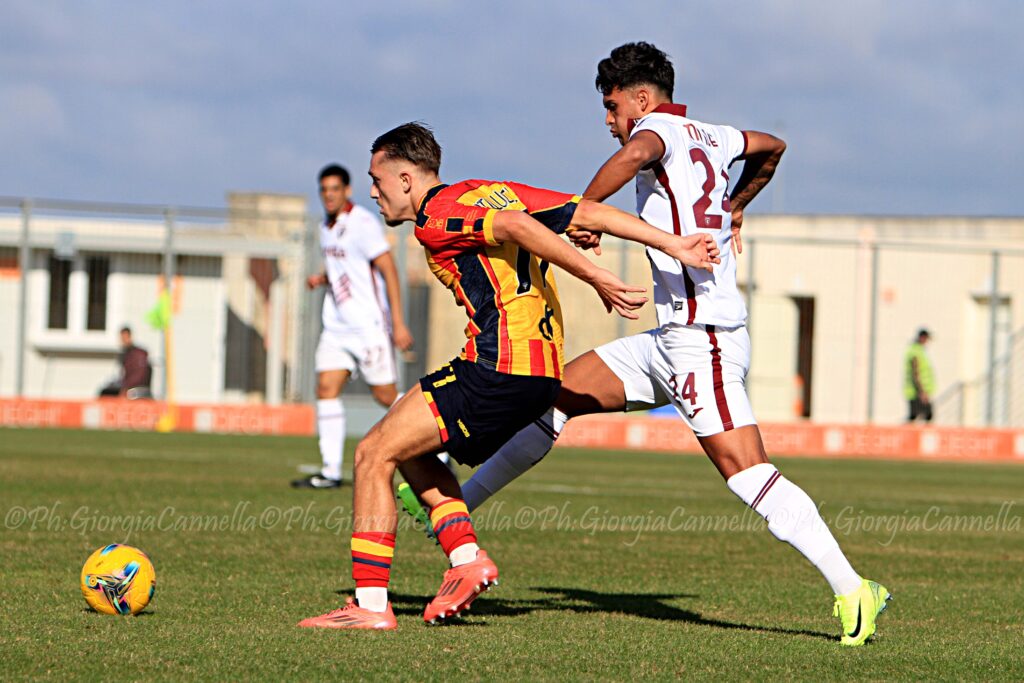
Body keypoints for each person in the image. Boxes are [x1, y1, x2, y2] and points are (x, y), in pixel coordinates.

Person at [443, 42, 890, 646]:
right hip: (671, 339)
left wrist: (585, 210)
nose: (609, 120)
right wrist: (734, 205)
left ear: (642, 98)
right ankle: (454, 509)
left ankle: (853, 588)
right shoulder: (717, 135)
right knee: (552, 394)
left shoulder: (655, 131)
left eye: (611, 105)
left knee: (746, 472)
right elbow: (773, 146)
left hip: (703, 341)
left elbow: (637, 152)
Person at [297, 121, 719, 630]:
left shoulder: (437, 217)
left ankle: (368, 608)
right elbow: (587, 213)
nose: (372, 191)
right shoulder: (485, 192)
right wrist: (674, 244)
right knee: (407, 445)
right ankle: (465, 561)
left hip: (498, 367)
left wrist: (597, 278)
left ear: (406, 179)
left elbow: (518, 229)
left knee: (371, 453)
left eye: (376, 178)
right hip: (539, 374)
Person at [291, 164, 414, 489]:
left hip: (367, 326)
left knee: (385, 395)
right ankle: (330, 470)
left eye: (334, 189)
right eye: (324, 190)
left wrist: (398, 323)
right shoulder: (325, 227)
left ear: (346, 190)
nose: (328, 195)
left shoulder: (363, 223)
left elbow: (388, 270)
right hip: (336, 327)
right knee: (326, 390)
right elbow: (345, 269)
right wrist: (322, 278)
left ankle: (438, 448)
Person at [99, 327, 152, 399]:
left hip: (137, 391)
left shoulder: (138, 354)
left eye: (124, 338)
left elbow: (140, 376)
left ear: (130, 337)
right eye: (121, 338)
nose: (123, 341)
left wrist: (126, 388)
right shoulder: (125, 354)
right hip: (128, 388)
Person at [904, 328, 935, 423]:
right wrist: (921, 391)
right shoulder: (915, 351)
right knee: (923, 415)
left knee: (918, 416)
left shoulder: (920, 351)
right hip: (916, 391)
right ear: (922, 338)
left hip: (919, 390)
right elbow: (915, 372)